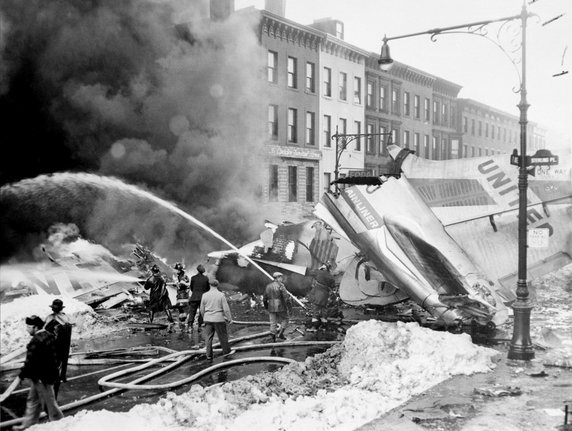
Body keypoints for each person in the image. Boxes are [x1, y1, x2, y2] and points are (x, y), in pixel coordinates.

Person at [13, 315, 64, 430]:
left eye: (28, 327)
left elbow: (29, 363)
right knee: (33, 401)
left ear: (35, 327)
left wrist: (20, 377)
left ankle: (61, 424)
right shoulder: (50, 336)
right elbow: (56, 356)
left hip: (42, 379)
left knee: (50, 404)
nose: (27, 329)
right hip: (46, 376)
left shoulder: (35, 341)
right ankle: (28, 425)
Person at [44, 299, 73, 399]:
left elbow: (45, 331)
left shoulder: (50, 318)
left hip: (54, 346)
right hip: (62, 346)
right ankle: (62, 376)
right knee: (61, 363)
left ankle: (52, 393)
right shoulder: (66, 318)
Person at [199, 280, 234, 360]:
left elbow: (201, 309)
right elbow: (226, 309)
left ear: (210, 285)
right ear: (217, 285)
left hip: (208, 319)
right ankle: (226, 353)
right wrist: (229, 319)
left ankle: (209, 355)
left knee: (208, 337)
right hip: (219, 319)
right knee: (223, 337)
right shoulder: (221, 295)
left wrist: (205, 317)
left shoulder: (204, 295)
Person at [263, 272, 291, 342]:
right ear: (278, 278)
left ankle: (273, 338)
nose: (282, 279)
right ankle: (281, 334)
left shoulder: (268, 286)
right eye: (281, 277)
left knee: (273, 322)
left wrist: (266, 306)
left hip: (271, 306)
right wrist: (289, 307)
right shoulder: (281, 285)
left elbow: (264, 298)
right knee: (286, 319)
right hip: (281, 305)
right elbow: (286, 298)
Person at [307, 264, 336, 332]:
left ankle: (314, 328)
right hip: (325, 295)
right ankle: (324, 327)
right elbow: (333, 285)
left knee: (316, 310)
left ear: (323, 268)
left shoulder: (319, 272)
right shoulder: (331, 276)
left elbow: (310, 272)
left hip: (318, 294)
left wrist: (319, 268)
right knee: (324, 311)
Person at [185, 264, 210, 331]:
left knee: (192, 312)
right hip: (202, 298)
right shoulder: (206, 278)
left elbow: (192, 288)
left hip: (194, 297)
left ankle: (190, 326)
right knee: (201, 312)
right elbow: (208, 289)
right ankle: (199, 326)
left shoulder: (193, 278)